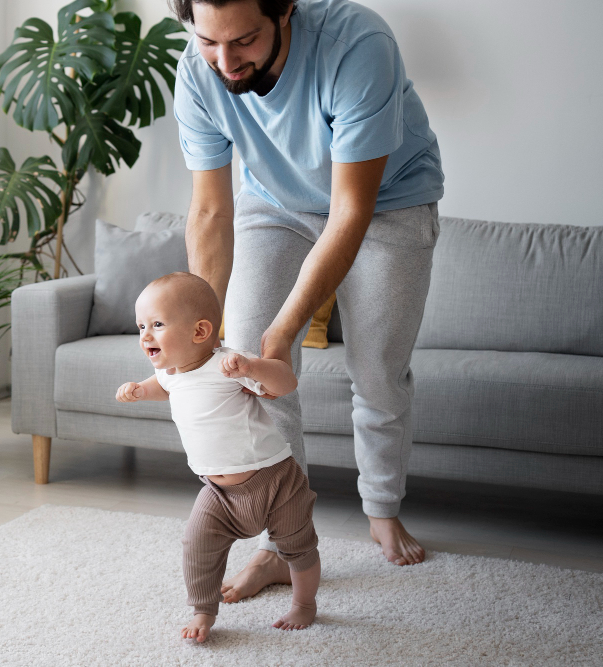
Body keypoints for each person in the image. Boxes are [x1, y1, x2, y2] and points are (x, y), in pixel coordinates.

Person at [170, 0, 446, 603]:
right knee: (244, 359)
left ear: (285, 10)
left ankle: (381, 507)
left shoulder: (358, 44)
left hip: (387, 202)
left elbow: (350, 211)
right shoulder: (197, 70)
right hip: (274, 202)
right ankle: (281, 542)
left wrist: (284, 334)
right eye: (208, 42)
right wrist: (202, 333)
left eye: (243, 41)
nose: (224, 61)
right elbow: (212, 210)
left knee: (376, 367)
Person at [117, 272, 320, 642]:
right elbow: (161, 387)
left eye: (157, 325)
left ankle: (304, 603)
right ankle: (203, 609)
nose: (145, 335)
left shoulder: (228, 364)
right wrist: (140, 391)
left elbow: (285, 384)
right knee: (197, 544)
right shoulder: (170, 373)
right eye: (141, 326)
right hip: (218, 491)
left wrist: (253, 368)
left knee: (298, 546)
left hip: (274, 481)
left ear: (200, 332)